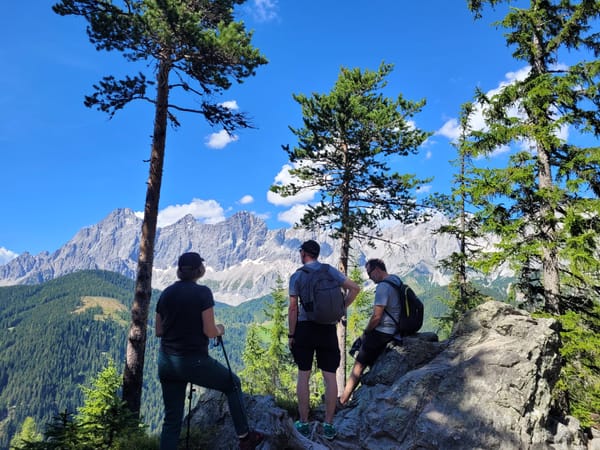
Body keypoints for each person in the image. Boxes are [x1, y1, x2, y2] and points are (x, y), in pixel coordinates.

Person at [155, 252, 263, 450]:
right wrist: (221, 329)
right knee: (233, 384)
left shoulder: (166, 293)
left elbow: (159, 331)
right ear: (199, 270)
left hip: (166, 362)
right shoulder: (203, 293)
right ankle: (245, 437)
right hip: (193, 361)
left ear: (179, 270)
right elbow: (210, 331)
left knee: (172, 419)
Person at [288, 240, 361, 440]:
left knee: (304, 375)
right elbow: (355, 288)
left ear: (304, 254)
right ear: (317, 254)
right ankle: (329, 425)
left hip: (305, 328)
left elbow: (293, 308)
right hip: (328, 329)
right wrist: (341, 309)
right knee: (330, 377)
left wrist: (291, 335)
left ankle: (303, 422)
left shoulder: (298, 275)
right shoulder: (330, 271)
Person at [339, 258, 400, 406]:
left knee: (358, 365)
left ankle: (342, 400)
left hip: (383, 332)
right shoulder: (396, 280)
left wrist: (366, 332)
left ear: (378, 270)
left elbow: (376, 317)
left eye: (370, 273)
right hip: (396, 329)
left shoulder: (382, 287)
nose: (369, 277)